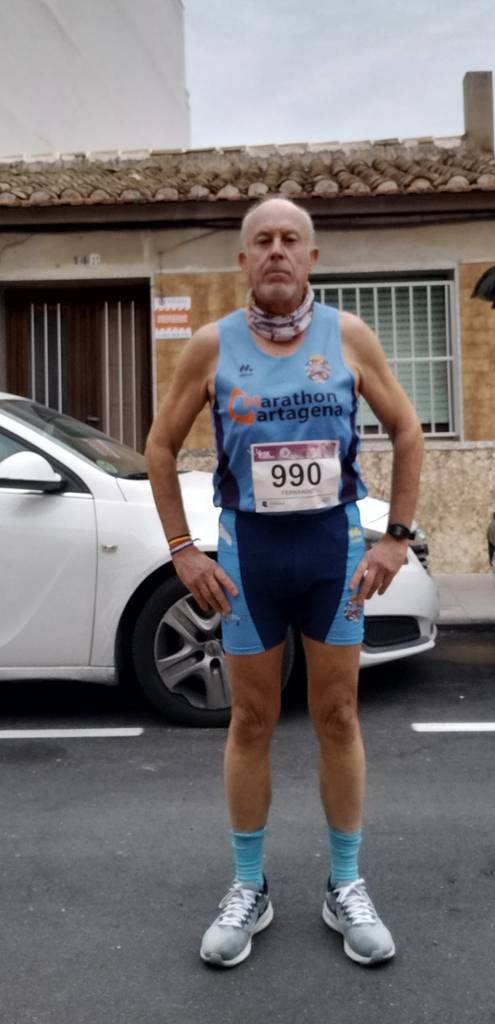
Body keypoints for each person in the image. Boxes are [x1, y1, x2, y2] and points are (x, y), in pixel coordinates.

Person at [145, 197, 424, 968]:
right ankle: (248, 887)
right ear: (242, 260)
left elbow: (407, 430)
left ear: (311, 257)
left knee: (336, 714)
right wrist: (182, 551)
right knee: (250, 721)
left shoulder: (348, 336)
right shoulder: (211, 345)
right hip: (250, 557)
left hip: (331, 553)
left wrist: (394, 538)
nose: (275, 250)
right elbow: (160, 447)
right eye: (261, 240)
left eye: (289, 239)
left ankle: (344, 884)